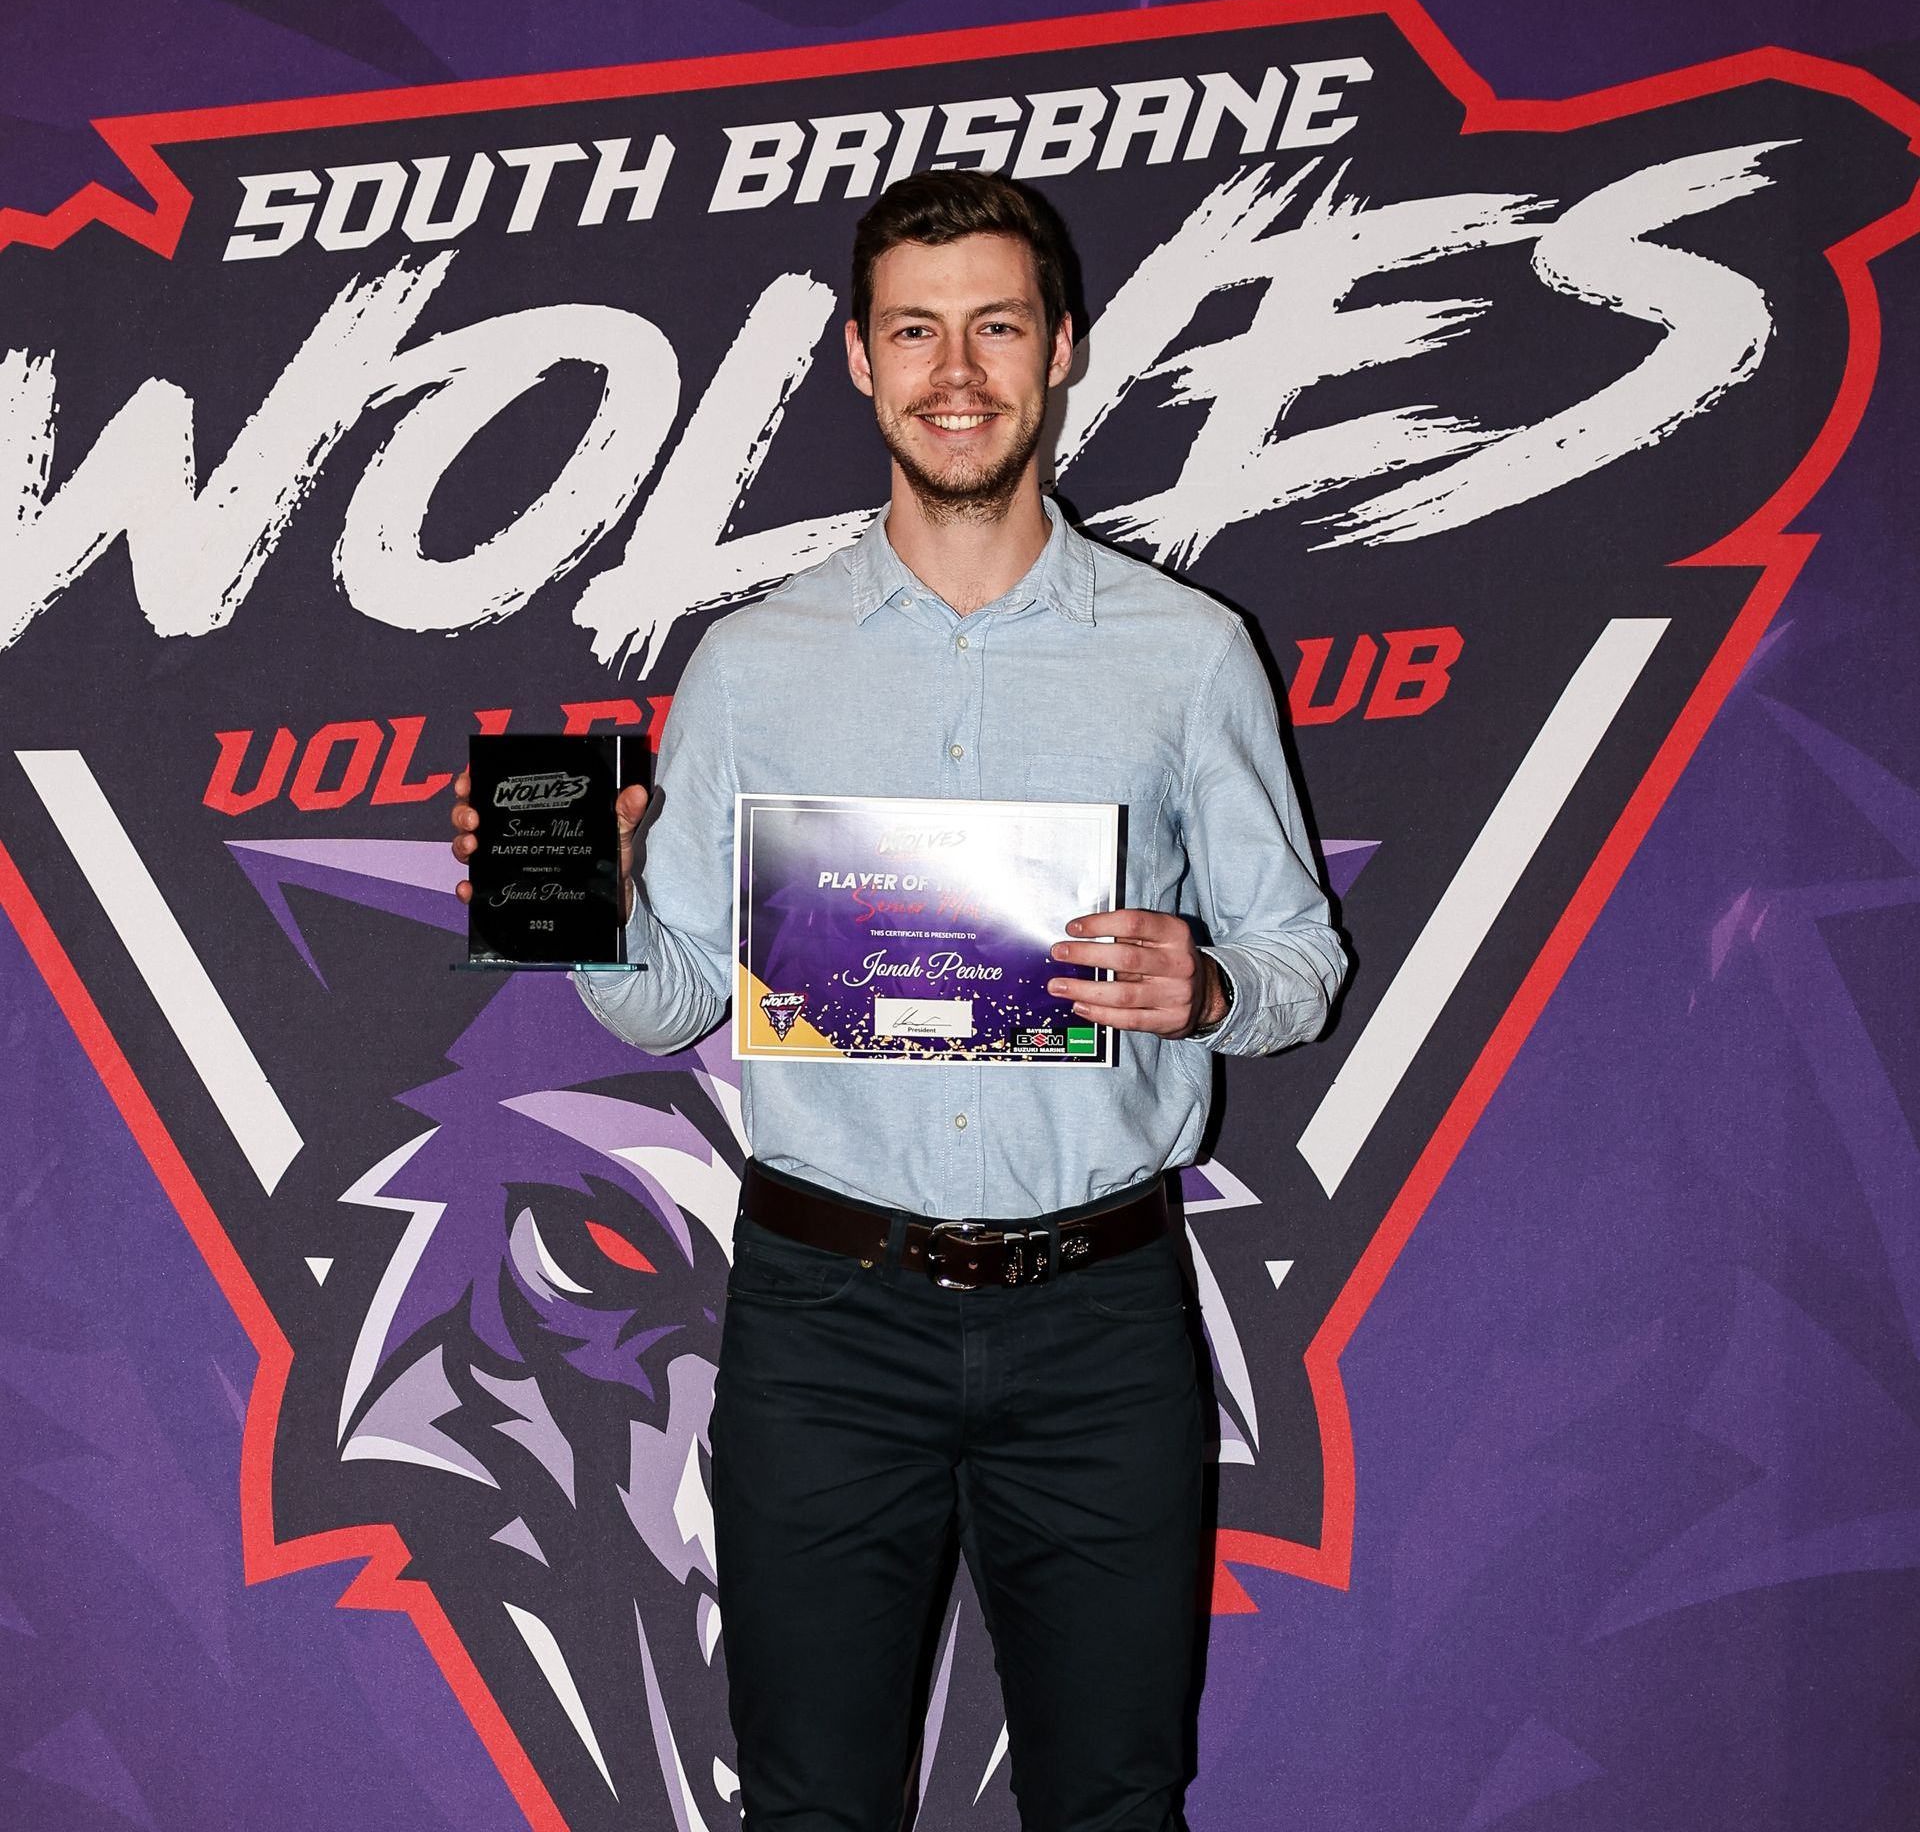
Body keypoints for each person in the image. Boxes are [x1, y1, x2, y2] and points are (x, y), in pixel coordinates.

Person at [452, 169, 1346, 1832]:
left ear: (1061, 349)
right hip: (825, 1314)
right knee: (810, 1807)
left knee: (1116, 1801)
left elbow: (1300, 963)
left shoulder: (1188, 652)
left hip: (1101, 1319)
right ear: (857, 362)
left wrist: (1208, 979)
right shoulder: (754, 661)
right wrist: (572, 895)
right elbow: (667, 1011)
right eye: (916, 331)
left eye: (996, 327)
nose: (958, 371)